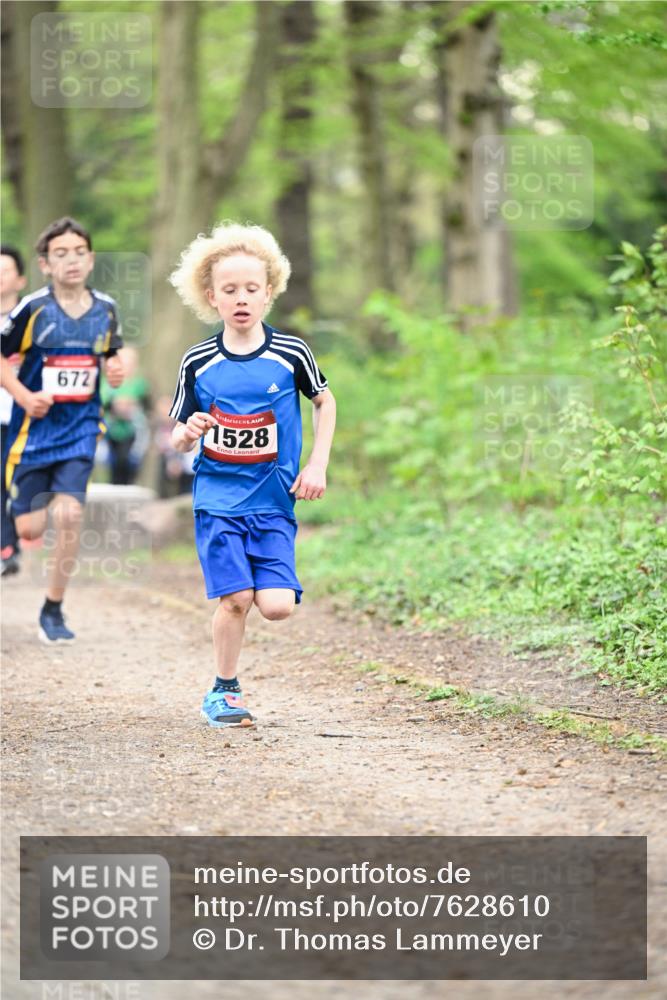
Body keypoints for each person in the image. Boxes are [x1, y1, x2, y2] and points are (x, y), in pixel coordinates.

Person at [168, 222, 336, 728]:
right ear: (211, 297)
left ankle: (229, 679)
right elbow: (176, 435)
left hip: (273, 500)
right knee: (237, 599)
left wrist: (317, 463)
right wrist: (188, 431)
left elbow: (325, 402)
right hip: (218, 498)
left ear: (269, 293)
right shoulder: (197, 361)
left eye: (251, 289)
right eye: (229, 290)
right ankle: (223, 690)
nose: (241, 298)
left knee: (279, 606)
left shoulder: (291, 354)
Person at [0, 217, 124, 643]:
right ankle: (21, 528)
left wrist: (116, 367)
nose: (71, 260)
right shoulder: (32, 309)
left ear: (90, 260)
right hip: (32, 434)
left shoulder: (106, 308)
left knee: (69, 515)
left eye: (78, 252)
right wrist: (22, 395)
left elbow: (112, 353)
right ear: (45, 265)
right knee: (32, 529)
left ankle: (53, 609)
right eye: (60, 254)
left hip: (81, 429)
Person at [0, 245, 27, 576]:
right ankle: (7, 547)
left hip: (24, 416)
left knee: (18, 482)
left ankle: (13, 540)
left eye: (5, 270)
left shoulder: (31, 320)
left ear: (20, 279)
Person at [100, 346, 150, 485]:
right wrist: (115, 406)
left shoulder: (140, 384)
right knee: (113, 464)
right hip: (111, 431)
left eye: (130, 363)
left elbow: (147, 406)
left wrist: (132, 408)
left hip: (132, 431)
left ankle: (130, 484)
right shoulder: (107, 383)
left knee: (129, 462)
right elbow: (103, 404)